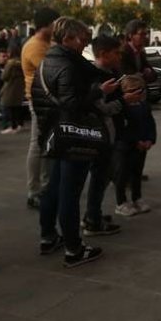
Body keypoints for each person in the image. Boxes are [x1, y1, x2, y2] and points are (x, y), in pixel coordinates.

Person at [32, 16, 111, 267]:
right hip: (72, 136)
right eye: (82, 40)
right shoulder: (67, 66)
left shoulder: (49, 61)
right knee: (69, 193)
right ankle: (73, 249)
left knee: (53, 188)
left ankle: (48, 237)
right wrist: (100, 91)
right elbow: (72, 104)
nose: (84, 44)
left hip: (53, 134)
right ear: (66, 39)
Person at [83, 35, 126, 236]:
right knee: (99, 177)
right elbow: (100, 107)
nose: (119, 56)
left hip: (108, 132)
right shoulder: (96, 76)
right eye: (116, 53)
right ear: (103, 54)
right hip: (100, 135)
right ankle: (92, 219)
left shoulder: (109, 72)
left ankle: (94, 213)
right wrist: (124, 101)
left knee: (103, 176)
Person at [22, 7, 59, 210]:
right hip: (39, 100)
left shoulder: (47, 43)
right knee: (37, 146)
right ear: (47, 24)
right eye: (56, 23)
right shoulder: (35, 46)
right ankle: (34, 190)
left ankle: (46, 186)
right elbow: (50, 72)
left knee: (47, 146)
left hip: (49, 100)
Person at [113, 75, 156, 217]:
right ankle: (121, 202)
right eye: (133, 91)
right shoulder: (121, 108)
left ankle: (137, 198)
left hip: (141, 147)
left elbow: (150, 124)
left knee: (137, 173)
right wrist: (136, 141)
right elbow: (122, 129)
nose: (137, 94)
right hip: (126, 147)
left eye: (140, 90)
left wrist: (150, 139)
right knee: (122, 175)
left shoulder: (144, 106)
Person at [0, 49, 25, 134]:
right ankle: (19, 124)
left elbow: (4, 77)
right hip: (19, 88)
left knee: (9, 107)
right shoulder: (21, 63)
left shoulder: (10, 64)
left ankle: (13, 126)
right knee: (17, 107)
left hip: (10, 87)